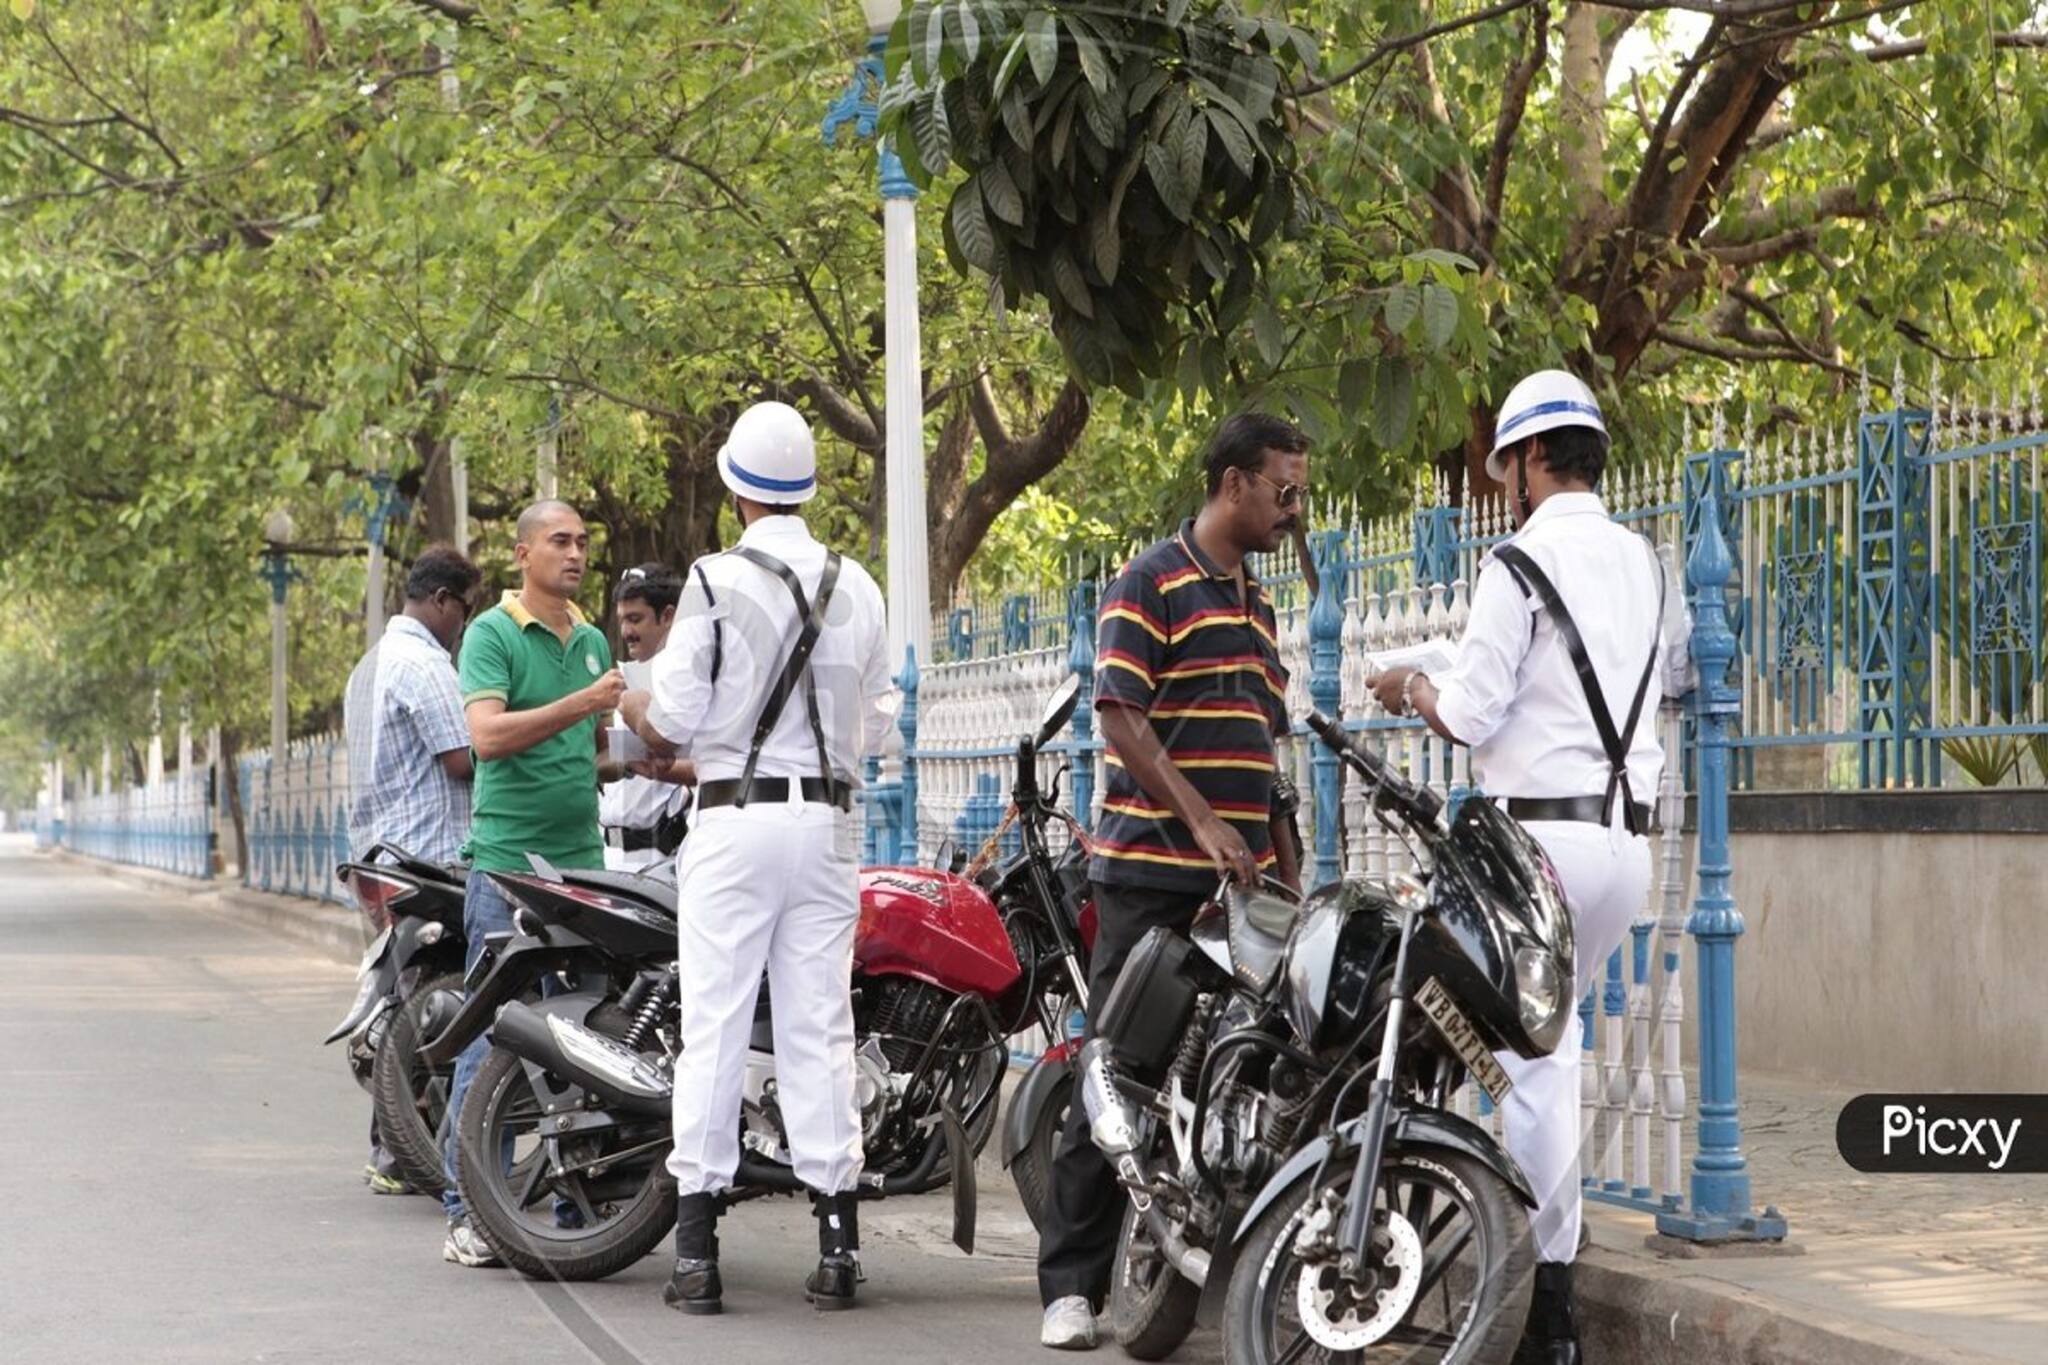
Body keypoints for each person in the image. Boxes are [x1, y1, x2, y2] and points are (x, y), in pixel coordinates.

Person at [1369, 370, 1669, 1365]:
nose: (1505, 483)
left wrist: (1410, 681)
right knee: (1542, 1055)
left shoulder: (1516, 559)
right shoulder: (1644, 562)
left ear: (1531, 461)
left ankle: (1547, 1306)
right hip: (1623, 847)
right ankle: (1514, 1262)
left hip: (1531, 852)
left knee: (1525, 1066)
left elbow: (1468, 716)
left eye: (1505, 464)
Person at [1037, 413, 1307, 1351]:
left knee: (1233, 1079)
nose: (1293, 505)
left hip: (1241, 895)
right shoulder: (1148, 581)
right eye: (1284, 487)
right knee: (1117, 1068)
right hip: (1150, 876)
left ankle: (1194, 1267)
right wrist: (1199, 820)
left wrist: (1287, 870)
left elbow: (1265, 747)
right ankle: (1069, 1286)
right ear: (1234, 483)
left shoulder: (1259, 603)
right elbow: (1120, 717)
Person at [618, 400, 894, 1315]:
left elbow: (676, 715)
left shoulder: (712, 580)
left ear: (736, 488)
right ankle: (839, 1249)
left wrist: (632, 710)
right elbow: (879, 726)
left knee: (716, 1031)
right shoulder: (859, 584)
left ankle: (696, 1257)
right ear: (808, 489)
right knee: (822, 1028)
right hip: (825, 830)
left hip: (734, 823)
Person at [439, 499, 626, 1268]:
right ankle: (469, 1209)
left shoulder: (589, 638)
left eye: (582, 540)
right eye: (559, 541)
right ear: (523, 553)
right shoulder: (490, 634)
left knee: (584, 1034)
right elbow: (486, 736)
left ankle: (563, 1202)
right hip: (510, 866)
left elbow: (594, 748)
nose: (575, 552)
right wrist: (582, 703)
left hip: (582, 863)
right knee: (493, 1036)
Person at [342, 544, 482, 1195]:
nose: (463, 625)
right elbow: (462, 759)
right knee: (438, 1004)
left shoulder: (369, 666)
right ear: (443, 601)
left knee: (408, 1000)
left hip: (380, 853)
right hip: (431, 856)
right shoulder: (424, 663)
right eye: (464, 609)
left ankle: (393, 1150)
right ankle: (413, 1150)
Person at [599, 564, 695, 871]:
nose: (627, 631)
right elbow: (604, 760)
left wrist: (653, 768)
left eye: (636, 619)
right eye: (623, 620)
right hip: (609, 854)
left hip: (663, 856)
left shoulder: (692, 683)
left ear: (667, 616)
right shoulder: (620, 678)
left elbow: (707, 768)